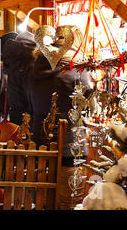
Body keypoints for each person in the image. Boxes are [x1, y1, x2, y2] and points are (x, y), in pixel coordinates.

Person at [27, 25, 91, 210]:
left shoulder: (36, 65)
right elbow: (87, 101)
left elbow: (30, 100)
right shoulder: (75, 67)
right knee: (69, 199)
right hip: (71, 142)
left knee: (41, 198)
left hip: (40, 138)